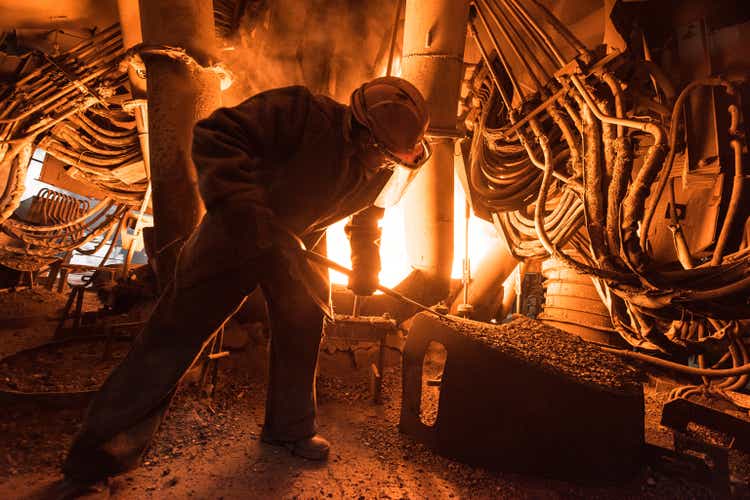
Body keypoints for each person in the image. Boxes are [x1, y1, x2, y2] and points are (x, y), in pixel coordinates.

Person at [59, 76, 431, 485]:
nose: (387, 165)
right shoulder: (300, 113)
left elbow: (369, 213)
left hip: (297, 242)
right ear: (360, 130)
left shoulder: (385, 160)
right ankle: (99, 451)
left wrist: (366, 258)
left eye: (395, 160)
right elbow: (216, 135)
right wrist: (249, 213)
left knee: (304, 322)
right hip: (234, 232)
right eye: (384, 155)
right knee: (175, 336)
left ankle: (288, 428)